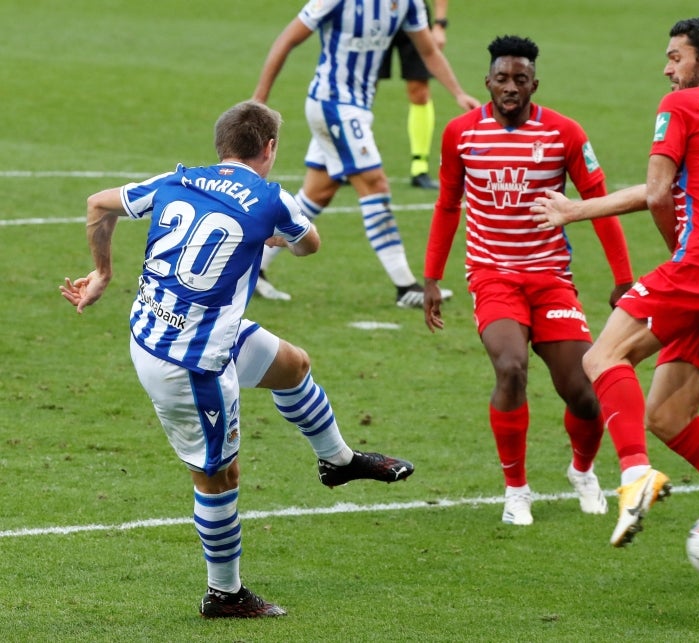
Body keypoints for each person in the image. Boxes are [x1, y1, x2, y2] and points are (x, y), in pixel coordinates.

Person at [59, 100, 415, 618]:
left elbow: (98, 204)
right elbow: (309, 245)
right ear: (269, 148)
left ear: (220, 146)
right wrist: (274, 233)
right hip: (188, 364)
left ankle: (338, 462)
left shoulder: (177, 180)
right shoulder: (272, 198)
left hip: (169, 328)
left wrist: (103, 273)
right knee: (218, 477)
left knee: (292, 365)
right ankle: (224, 593)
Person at [531, 17, 699, 585]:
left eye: (675, 56)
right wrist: (576, 210)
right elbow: (679, 192)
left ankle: (634, 476)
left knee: (600, 358)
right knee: (668, 415)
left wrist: (673, 259)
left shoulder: (680, 106)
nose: (666, 67)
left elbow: (658, 193)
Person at [423, 35, 635, 526]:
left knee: (584, 391)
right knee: (511, 367)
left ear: (534, 83)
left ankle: (582, 470)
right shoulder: (460, 134)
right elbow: (447, 205)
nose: (511, 87)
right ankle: (516, 490)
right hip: (493, 276)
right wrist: (431, 278)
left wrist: (624, 278)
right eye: (502, 79)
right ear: (488, 83)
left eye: (521, 79)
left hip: (551, 279)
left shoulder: (564, 133)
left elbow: (599, 207)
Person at [251, 0, 479, 307]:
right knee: (375, 184)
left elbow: (428, 51)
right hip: (332, 103)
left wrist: (458, 92)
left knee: (319, 191)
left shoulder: (408, 4)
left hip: (356, 108)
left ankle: (255, 264)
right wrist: (260, 98)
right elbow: (287, 39)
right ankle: (406, 286)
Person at [378, 0, 449, 190]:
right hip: (373, 14)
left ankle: (420, 168)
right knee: (364, 88)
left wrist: (440, 23)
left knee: (420, 91)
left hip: (411, 12)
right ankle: (346, 161)